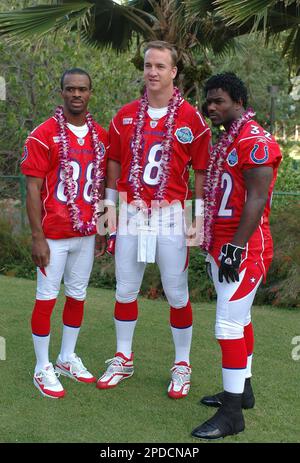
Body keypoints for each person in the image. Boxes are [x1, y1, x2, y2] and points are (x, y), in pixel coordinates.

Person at [96, 41, 211, 399]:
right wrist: (109, 207)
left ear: (174, 72)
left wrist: (199, 215)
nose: (152, 71)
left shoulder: (191, 118)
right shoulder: (126, 114)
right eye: (148, 65)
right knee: (125, 289)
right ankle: (123, 356)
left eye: (161, 66)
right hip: (130, 211)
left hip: (169, 215)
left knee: (177, 293)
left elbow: (202, 170)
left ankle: (182, 363)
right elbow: (113, 161)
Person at [191, 72, 282, 439]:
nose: (211, 107)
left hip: (244, 248)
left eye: (219, 101)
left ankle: (232, 415)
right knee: (240, 321)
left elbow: (257, 199)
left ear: (239, 102)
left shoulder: (254, 138)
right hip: (224, 243)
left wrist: (235, 247)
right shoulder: (229, 138)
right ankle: (242, 392)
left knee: (227, 326)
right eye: (208, 101)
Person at [21, 68, 108, 399]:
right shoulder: (43, 134)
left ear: (90, 93)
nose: (76, 94)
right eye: (70, 89)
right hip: (53, 233)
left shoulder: (101, 136)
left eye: (82, 89)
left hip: (85, 231)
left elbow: (103, 186)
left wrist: (102, 227)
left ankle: (66, 357)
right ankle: (42, 365)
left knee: (78, 295)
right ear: (61, 93)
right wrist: (36, 236)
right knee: (46, 297)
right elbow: (33, 190)